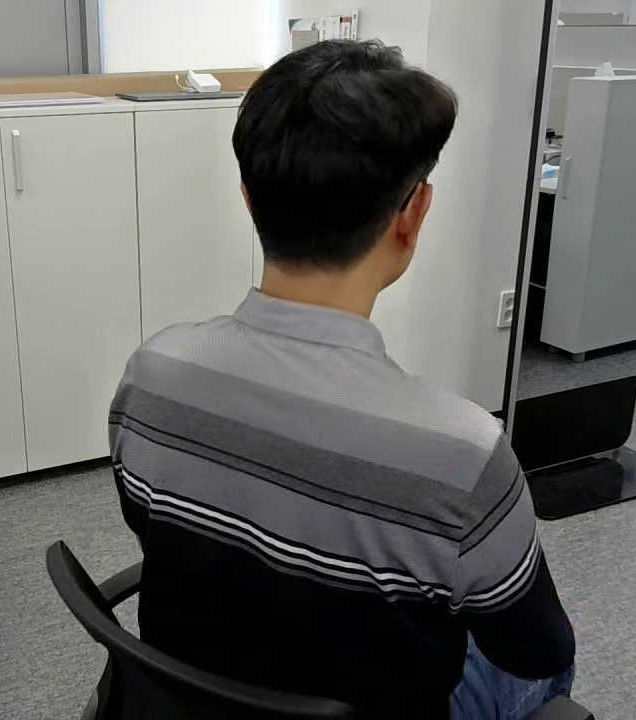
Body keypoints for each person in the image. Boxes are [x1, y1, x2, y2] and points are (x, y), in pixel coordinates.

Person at [107, 39, 575, 719]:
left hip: (187, 696)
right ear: (413, 215)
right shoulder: (461, 455)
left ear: (249, 199)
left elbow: (153, 528)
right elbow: (535, 650)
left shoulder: (152, 374)